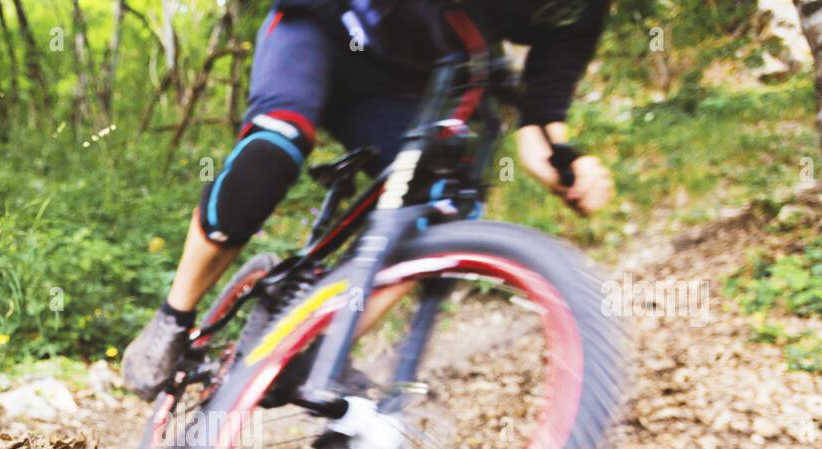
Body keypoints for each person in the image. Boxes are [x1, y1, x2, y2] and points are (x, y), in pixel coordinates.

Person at [122, 0, 616, 399]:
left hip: (402, 91)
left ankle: (318, 347)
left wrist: (571, 166)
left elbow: (540, 126)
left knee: (444, 209)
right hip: (321, 29)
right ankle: (173, 318)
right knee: (273, 152)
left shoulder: (577, 11)